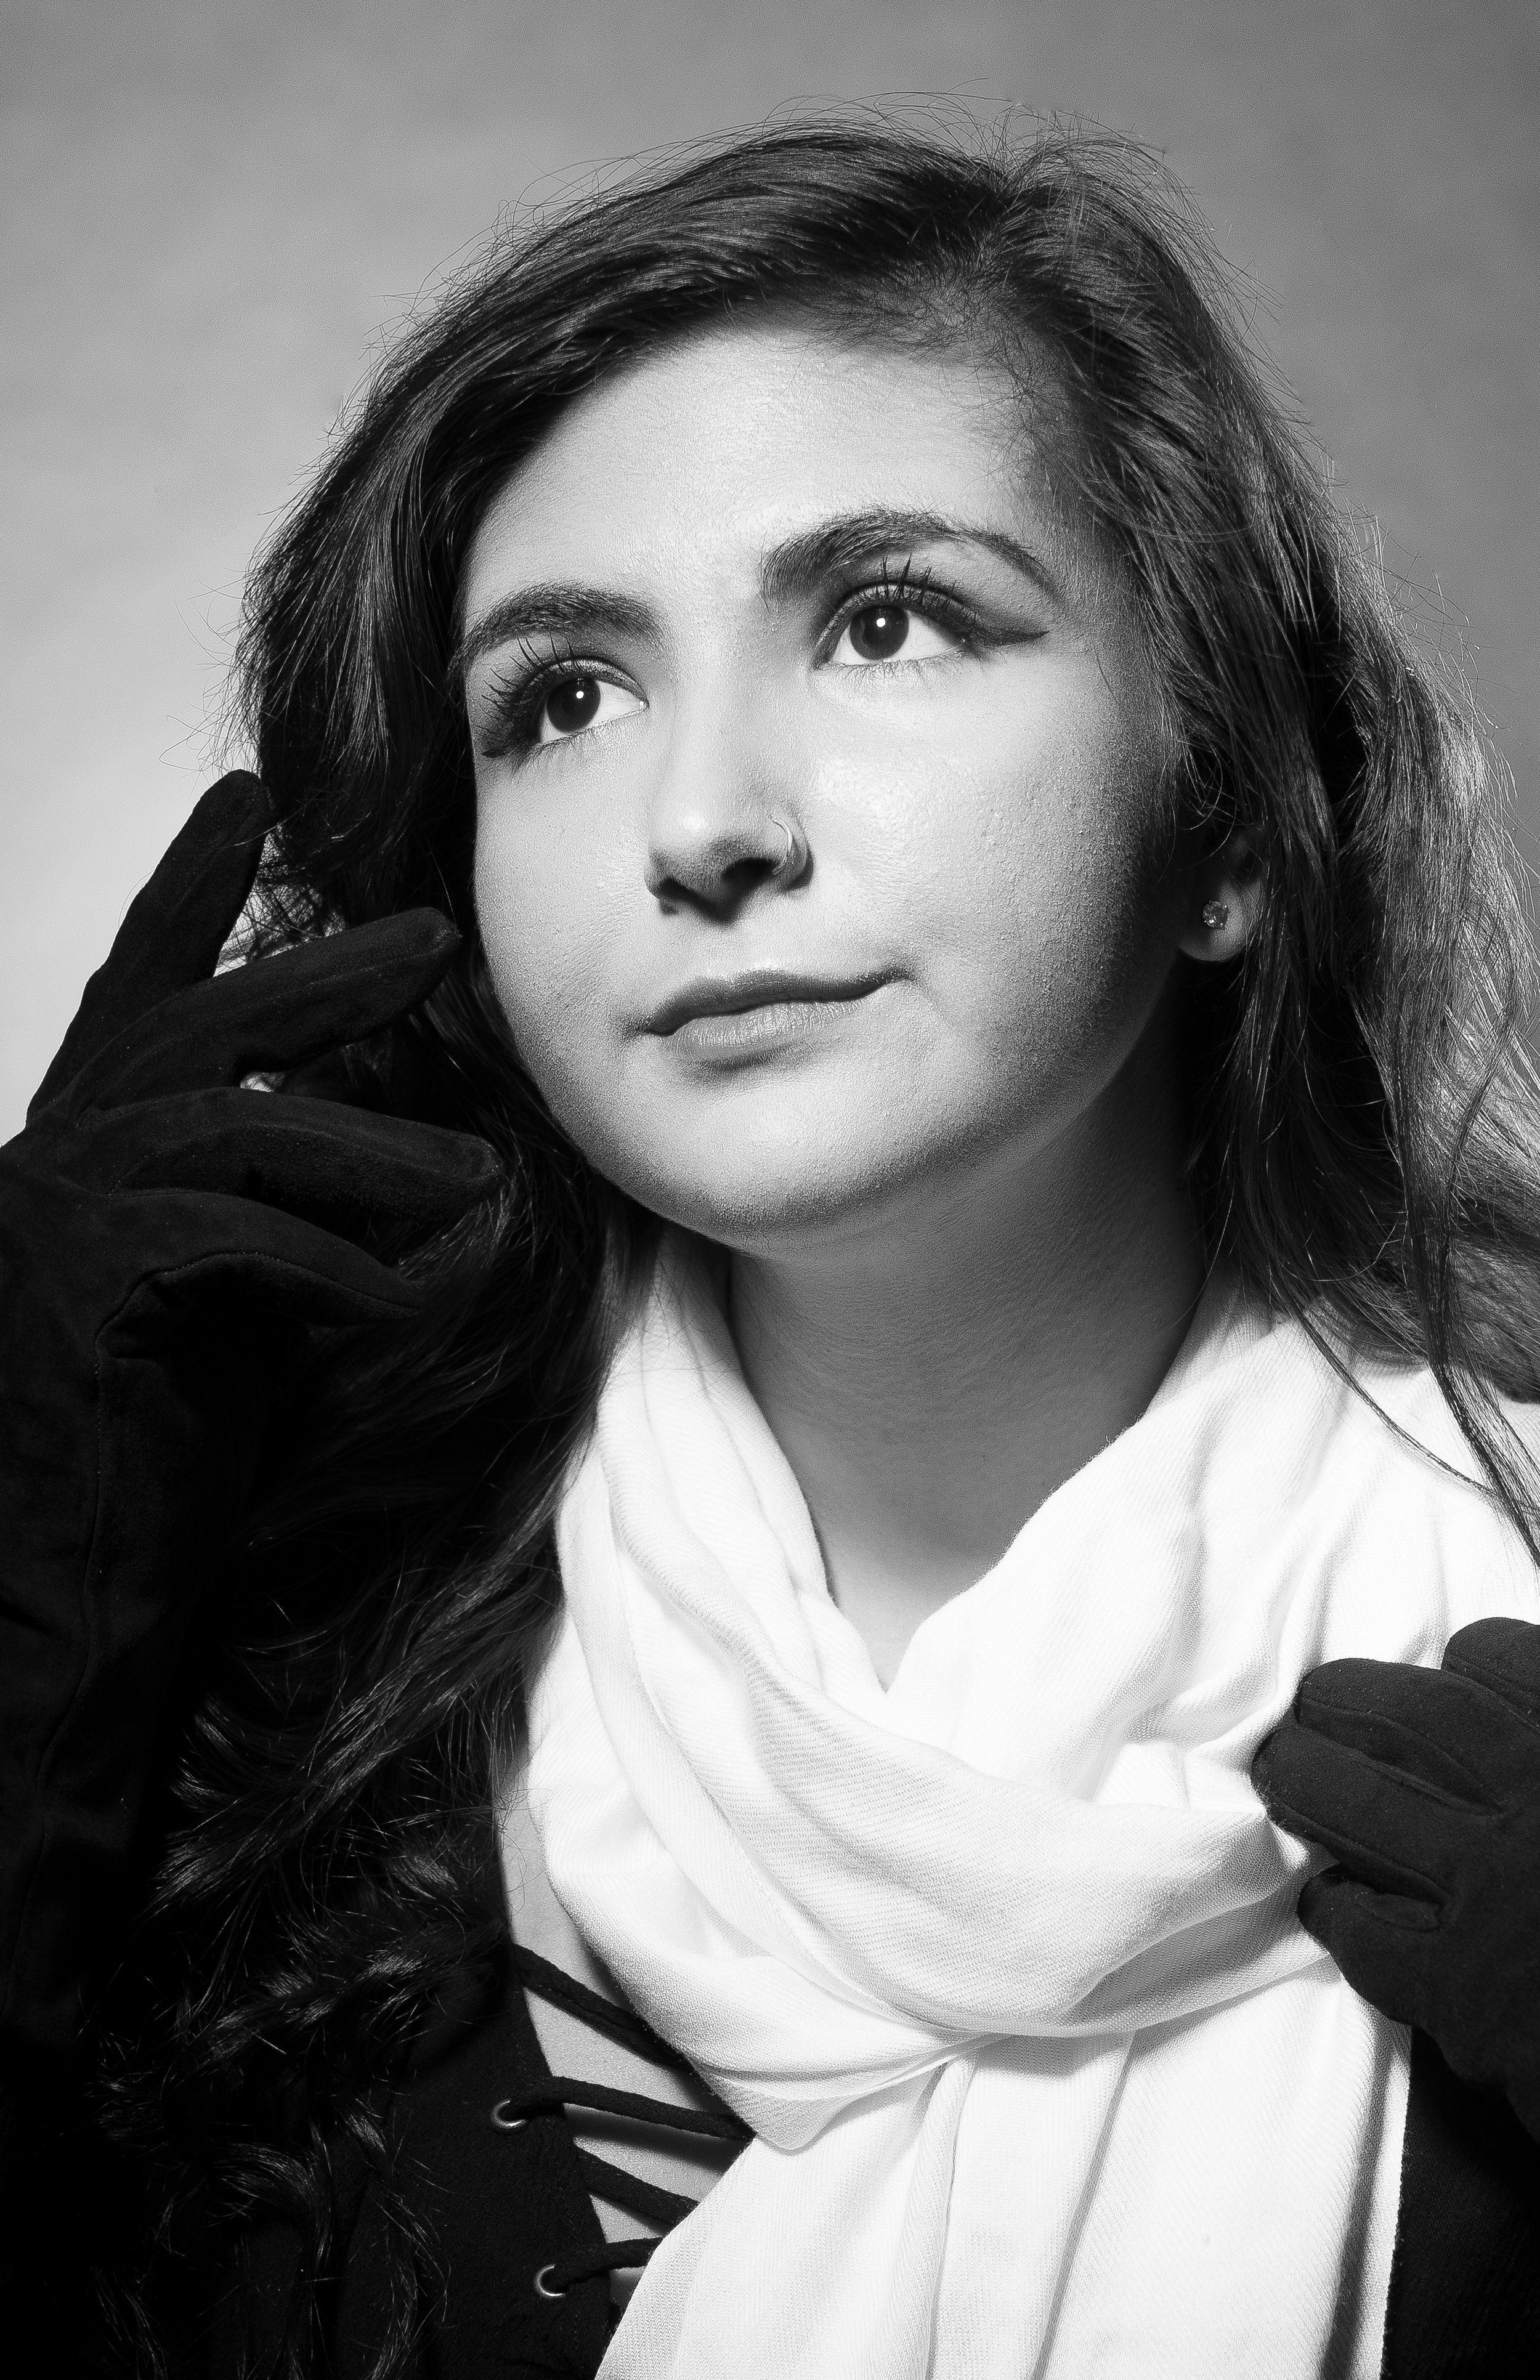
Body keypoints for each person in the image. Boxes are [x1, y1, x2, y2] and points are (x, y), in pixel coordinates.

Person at [2, 113, 1538, 2379]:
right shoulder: (260, 1697)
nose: (704, 824)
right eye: (563, 699)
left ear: (1222, 818)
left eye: (885, 621)